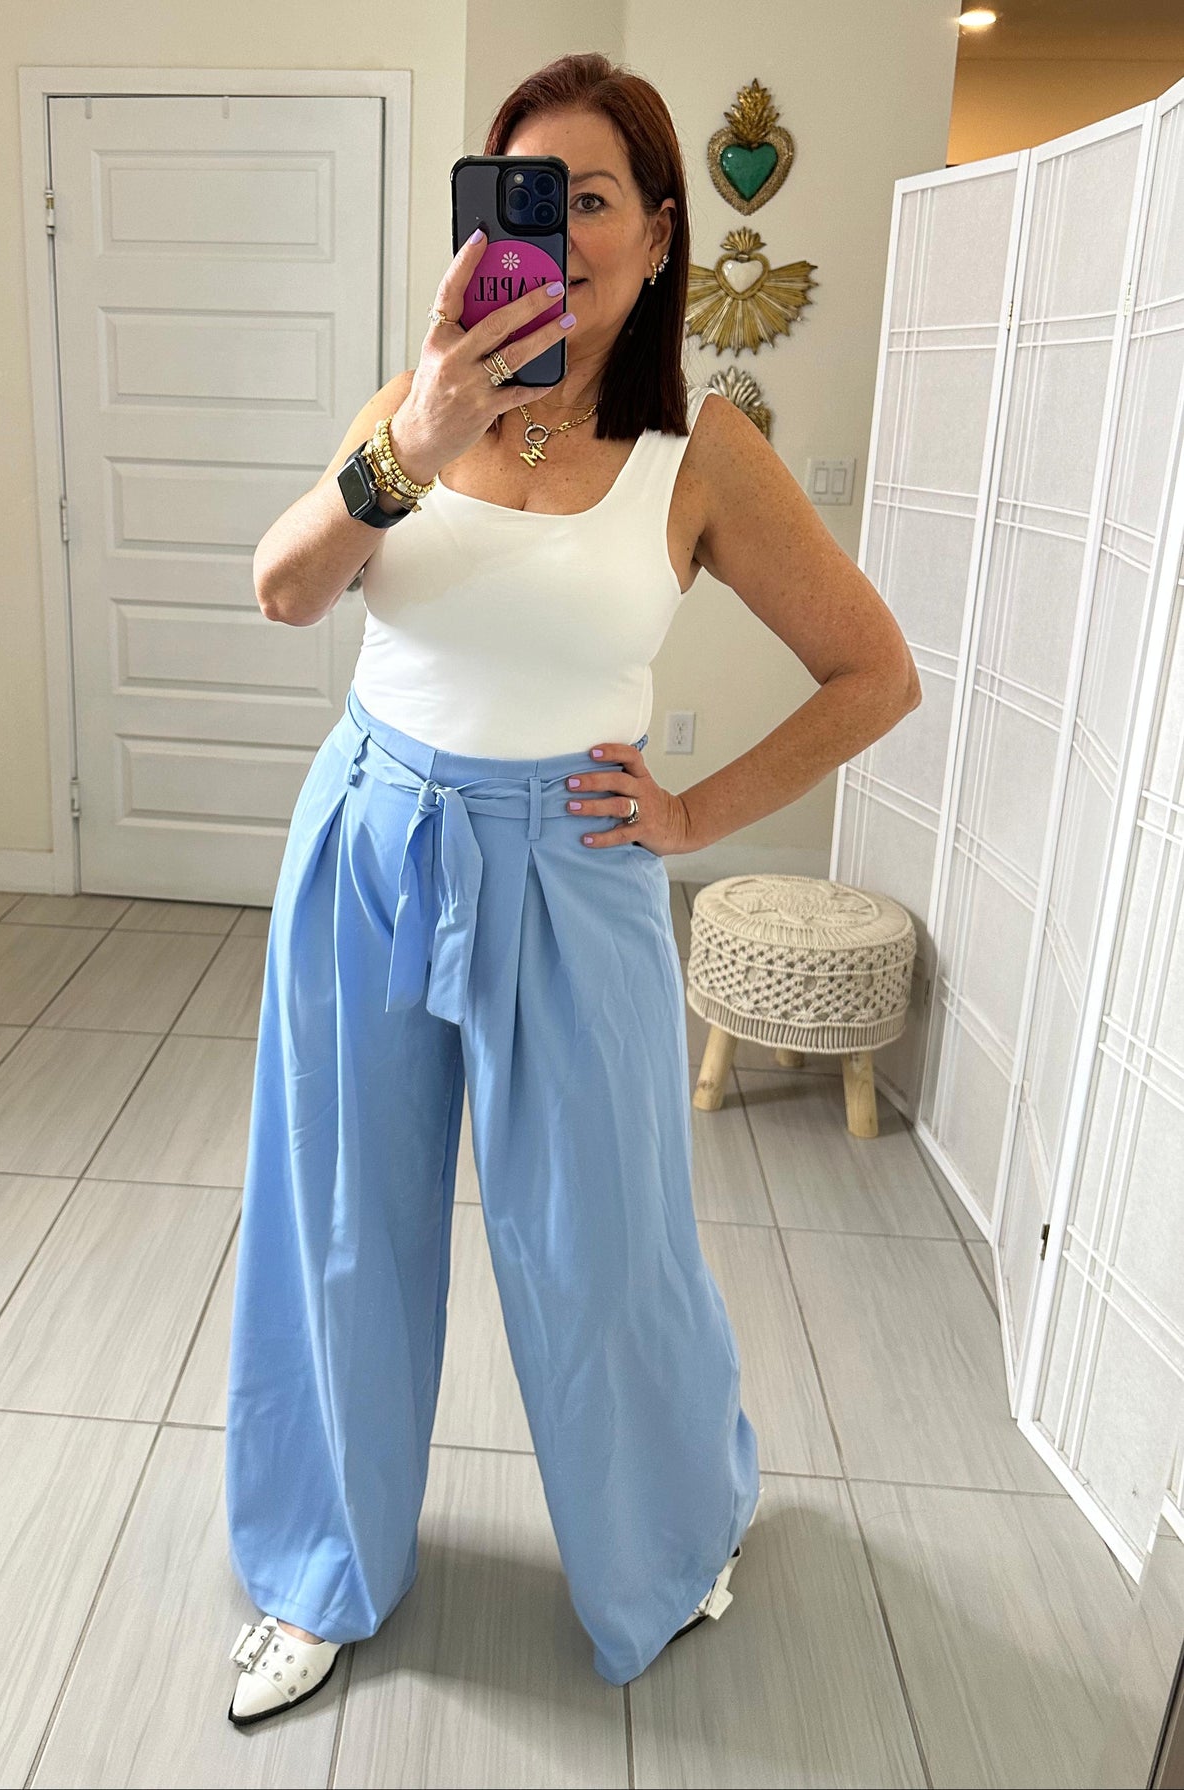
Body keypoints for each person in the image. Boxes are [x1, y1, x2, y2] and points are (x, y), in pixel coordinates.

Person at [224, 53, 920, 1728]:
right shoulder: (416, 404)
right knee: (339, 1229)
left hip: (573, 865)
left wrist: (690, 812)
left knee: (607, 1247)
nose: (553, 230)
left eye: (588, 197)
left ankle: (666, 1539)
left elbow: (872, 672)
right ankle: (320, 1563)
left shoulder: (701, 451)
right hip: (373, 842)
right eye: (520, 194)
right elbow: (283, 590)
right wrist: (413, 440)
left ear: (660, 231)